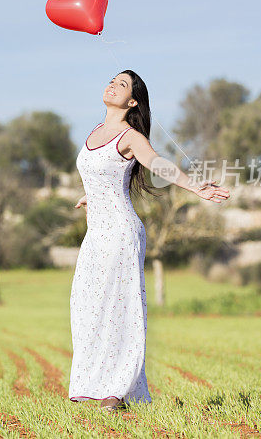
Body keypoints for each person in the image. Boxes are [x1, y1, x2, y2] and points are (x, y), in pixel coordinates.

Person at [68, 70, 230, 411]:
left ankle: (116, 391)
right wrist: (91, 195)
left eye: (122, 84)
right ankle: (97, 385)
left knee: (117, 308)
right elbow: (101, 174)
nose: (112, 84)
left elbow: (157, 163)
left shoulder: (129, 136)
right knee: (86, 307)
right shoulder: (95, 132)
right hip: (96, 234)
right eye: (112, 79)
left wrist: (195, 186)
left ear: (132, 102)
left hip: (121, 232)